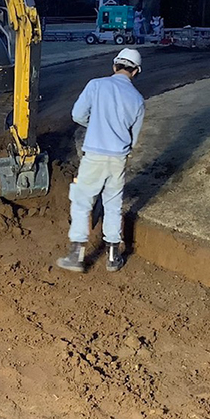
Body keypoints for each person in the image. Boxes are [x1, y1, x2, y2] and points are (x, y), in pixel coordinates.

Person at [55, 48, 145, 274]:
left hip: (94, 155)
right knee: (113, 204)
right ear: (136, 71)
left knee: (82, 201)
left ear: (115, 66)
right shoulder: (137, 99)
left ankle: (77, 254)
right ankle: (113, 256)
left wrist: (95, 125)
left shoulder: (96, 85)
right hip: (118, 158)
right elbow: (134, 139)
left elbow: (77, 115)